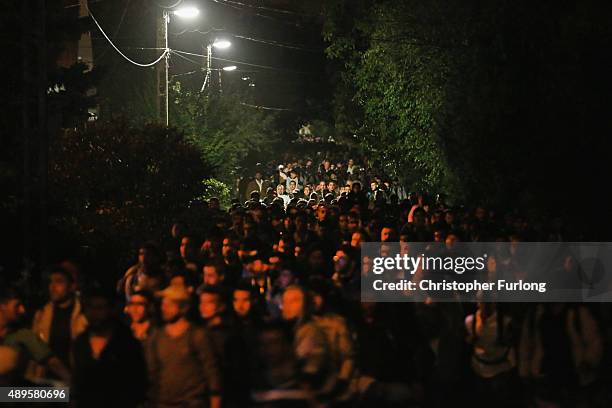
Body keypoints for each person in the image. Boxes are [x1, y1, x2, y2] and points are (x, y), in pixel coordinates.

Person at [146, 285, 222, 408]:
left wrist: (215, 401)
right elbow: (152, 372)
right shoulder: (157, 337)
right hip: (163, 403)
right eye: (163, 305)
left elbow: (212, 371)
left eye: (169, 305)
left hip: (192, 403)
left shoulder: (197, 336)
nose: (164, 309)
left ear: (183, 308)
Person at [72, 287, 147, 408]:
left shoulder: (127, 343)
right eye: (90, 307)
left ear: (111, 310)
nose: (94, 313)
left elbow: (137, 384)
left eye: (100, 308)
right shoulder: (81, 342)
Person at [0, 286, 71, 384]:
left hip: (9, 394)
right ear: (2, 305)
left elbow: (52, 362)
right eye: (17, 305)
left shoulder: (23, 335)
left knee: (57, 392)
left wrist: (72, 385)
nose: (22, 310)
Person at [32, 266, 87, 370]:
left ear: (72, 286)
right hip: (45, 378)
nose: (52, 287)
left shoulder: (84, 315)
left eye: (59, 282)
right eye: (50, 282)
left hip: (75, 377)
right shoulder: (41, 314)